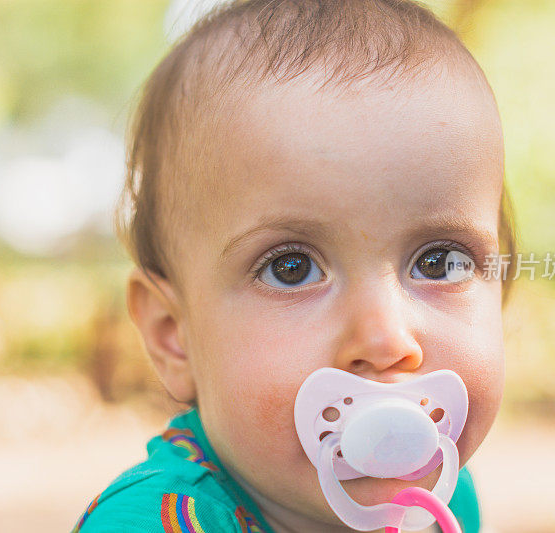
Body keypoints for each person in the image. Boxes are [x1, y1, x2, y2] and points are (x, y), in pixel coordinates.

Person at [73, 0, 517, 531]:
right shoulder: (154, 523)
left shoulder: (444, 499)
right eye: (291, 268)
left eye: (440, 262)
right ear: (175, 335)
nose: (386, 341)